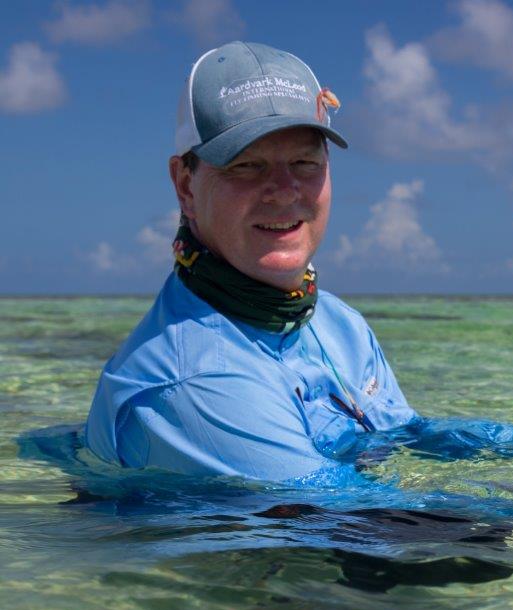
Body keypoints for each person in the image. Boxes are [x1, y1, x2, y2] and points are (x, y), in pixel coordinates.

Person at [85, 41, 417, 481]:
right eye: (246, 166)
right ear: (185, 186)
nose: (284, 190)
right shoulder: (196, 383)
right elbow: (357, 524)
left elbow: (410, 436)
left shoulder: (340, 324)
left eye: (304, 161)